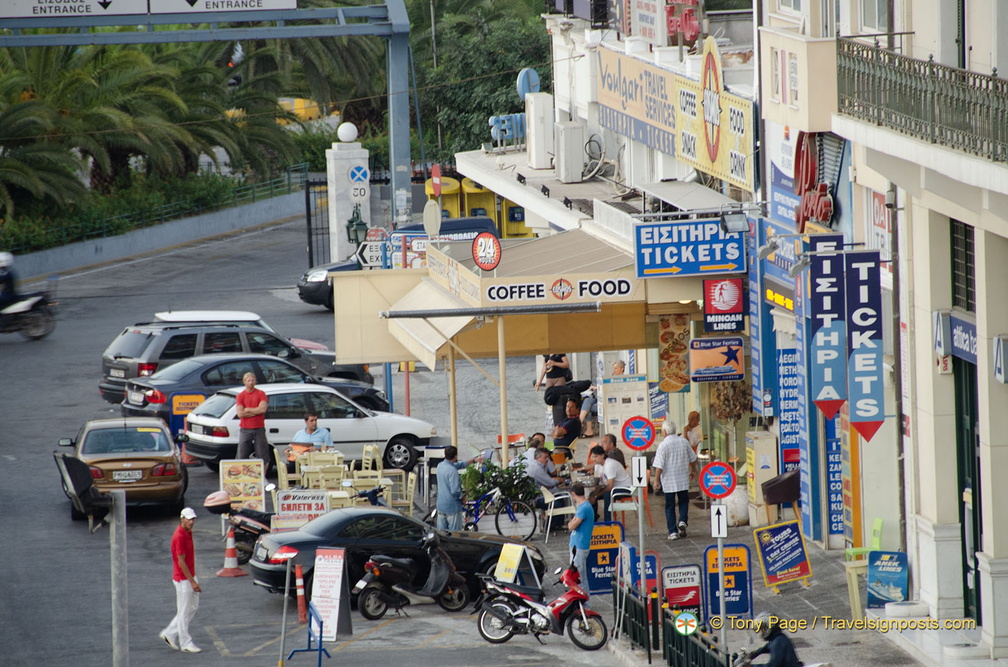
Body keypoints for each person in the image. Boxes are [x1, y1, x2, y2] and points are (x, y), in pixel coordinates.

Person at [159, 507, 202, 653]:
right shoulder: (179, 536)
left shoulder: (188, 532)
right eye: (188, 519)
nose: (191, 521)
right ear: (182, 518)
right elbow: (181, 562)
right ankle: (185, 643)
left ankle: (169, 633)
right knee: (183, 611)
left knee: (192, 607)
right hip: (183, 578)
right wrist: (192, 581)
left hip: (189, 575)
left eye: (192, 519)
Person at [652, 420, 697, 540]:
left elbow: (659, 466)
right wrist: (693, 470)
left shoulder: (663, 445)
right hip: (682, 478)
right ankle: (682, 521)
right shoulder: (684, 442)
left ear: (665, 432)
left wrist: (656, 481)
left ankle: (673, 532)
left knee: (670, 506)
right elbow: (692, 458)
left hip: (669, 481)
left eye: (662, 431)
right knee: (683, 502)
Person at [435, 446, 480, 531]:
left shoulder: (440, 466)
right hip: (452, 507)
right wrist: (462, 498)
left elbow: (459, 465)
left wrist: (473, 460)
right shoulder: (453, 471)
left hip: (441, 505)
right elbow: (455, 491)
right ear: (455, 456)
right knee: (454, 534)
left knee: (441, 533)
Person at [587, 444, 631, 521]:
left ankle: (608, 522)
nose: (594, 459)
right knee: (592, 494)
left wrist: (596, 496)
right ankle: (592, 520)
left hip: (625, 488)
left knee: (607, 495)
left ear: (602, 455)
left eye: (596, 456)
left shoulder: (610, 465)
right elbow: (599, 483)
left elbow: (610, 486)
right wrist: (594, 494)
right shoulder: (597, 465)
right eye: (593, 457)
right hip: (614, 487)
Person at [236, 372, 269, 463]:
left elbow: (263, 409)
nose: (251, 382)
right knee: (242, 454)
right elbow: (240, 414)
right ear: (244, 382)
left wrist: (248, 409)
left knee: (262, 454)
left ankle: (263, 476)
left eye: (253, 380)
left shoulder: (260, 393)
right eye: (248, 380)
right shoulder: (240, 396)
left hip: (259, 428)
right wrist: (256, 412)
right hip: (245, 428)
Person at [567, 483, 594, 593]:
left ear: (573, 494)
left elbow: (571, 526)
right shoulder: (584, 507)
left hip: (579, 545)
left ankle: (585, 603)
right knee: (577, 574)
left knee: (579, 576)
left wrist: (571, 522)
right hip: (577, 545)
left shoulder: (583, 508)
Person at [0, 252, 18, 318]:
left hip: (8, 295)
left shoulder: (5, 272)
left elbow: (1, 279)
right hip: (7, 294)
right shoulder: (6, 270)